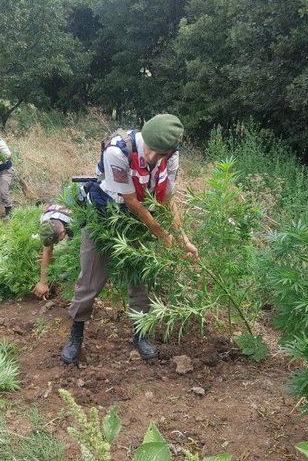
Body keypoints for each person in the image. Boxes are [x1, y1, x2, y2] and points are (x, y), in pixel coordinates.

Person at [61, 114, 199, 364]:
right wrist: (162, 234)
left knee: (140, 279)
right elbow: (132, 201)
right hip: (105, 217)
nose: (152, 159)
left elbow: (167, 201)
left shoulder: (172, 159)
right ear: (144, 138)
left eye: (161, 155)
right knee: (90, 280)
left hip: (139, 222)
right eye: (151, 151)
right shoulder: (117, 151)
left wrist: (183, 239)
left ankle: (139, 335)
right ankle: (76, 335)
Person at [34, 203, 74, 299]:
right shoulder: (46, 221)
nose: (56, 244)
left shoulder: (74, 223)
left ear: (63, 232)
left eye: (57, 241)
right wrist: (43, 281)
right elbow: (47, 251)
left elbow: (80, 249)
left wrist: (58, 254)